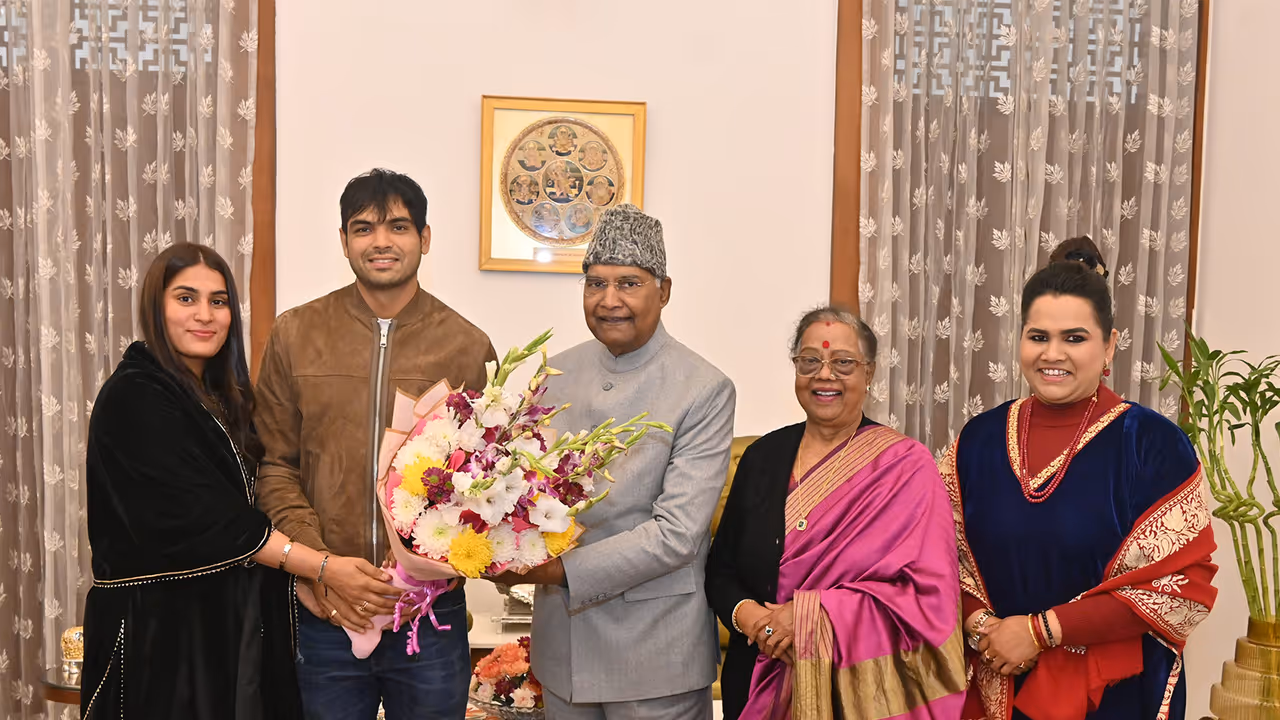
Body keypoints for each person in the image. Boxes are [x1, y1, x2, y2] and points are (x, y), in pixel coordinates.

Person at [82, 244, 398, 719]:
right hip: (159, 633)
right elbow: (210, 519)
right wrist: (323, 567)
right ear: (155, 307)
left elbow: (261, 495)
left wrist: (297, 582)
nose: (204, 315)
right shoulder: (135, 395)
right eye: (185, 298)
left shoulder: (222, 396)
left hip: (230, 625)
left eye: (219, 301)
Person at [255, 169, 498, 720]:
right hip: (324, 610)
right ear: (344, 241)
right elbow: (275, 466)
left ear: (425, 238)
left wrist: (420, 572)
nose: (381, 241)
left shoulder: (467, 346)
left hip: (429, 615)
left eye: (399, 227)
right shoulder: (295, 334)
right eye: (363, 228)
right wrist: (320, 567)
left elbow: (482, 485)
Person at [942, 236, 1218, 720]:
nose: (1053, 354)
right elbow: (939, 557)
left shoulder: (1152, 445)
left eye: (1074, 338)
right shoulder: (977, 440)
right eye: (1038, 336)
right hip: (996, 679)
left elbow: (1180, 587)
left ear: (1109, 345)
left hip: (1114, 694)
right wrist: (983, 627)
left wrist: (1039, 632)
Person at [494, 203, 736, 719]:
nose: (609, 301)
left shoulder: (703, 388)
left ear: (664, 291)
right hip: (563, 653)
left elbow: (677, 535)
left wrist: (556, 571)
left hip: (654, 658)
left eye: (629, 283)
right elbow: (519, 493)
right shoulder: (554, 376)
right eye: (595, 284)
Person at [705, 306, 967, 719]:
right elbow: (721, 570)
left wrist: (811, 619)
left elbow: (928, 596)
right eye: (810, 361)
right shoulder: (760, 457)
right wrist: (756, 621)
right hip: (757, 675)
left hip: (863, 691)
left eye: (843, 363)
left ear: (869, 372)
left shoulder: (905, 467)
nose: (824, 375)